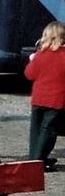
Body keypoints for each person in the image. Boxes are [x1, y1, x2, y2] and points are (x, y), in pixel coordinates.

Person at [24, 21, 65, 172]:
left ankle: (34, 158)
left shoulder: (40, 55)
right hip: (56, 100)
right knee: (48, 131)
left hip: (38, 98)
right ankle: (38, 160)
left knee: (35, 129)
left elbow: (29, 74)